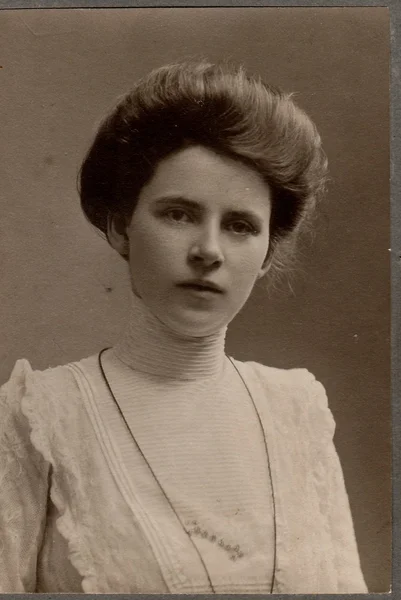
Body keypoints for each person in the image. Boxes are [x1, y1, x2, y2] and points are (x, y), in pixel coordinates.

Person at [0, 60, 367, 594]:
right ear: (121, 227)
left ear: (266, 254)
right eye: (178, 214)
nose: (209, 252)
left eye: (241, 226)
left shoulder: (297, 412)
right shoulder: (40, 418)